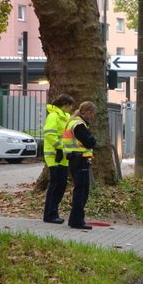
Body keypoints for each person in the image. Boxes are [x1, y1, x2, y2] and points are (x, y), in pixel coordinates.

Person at [62, 101, 98, 230]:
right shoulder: (79, 125)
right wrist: (94, 140)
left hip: (74, 160)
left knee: (79, 190)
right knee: (82, 192)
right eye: (92, 113)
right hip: (80, 160)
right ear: (87, 112)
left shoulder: (72, 122)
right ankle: (77, 220)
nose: (93, 116)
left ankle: (75, 219)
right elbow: (90, 142)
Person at [42, 94, 75, 224]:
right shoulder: (53, 116)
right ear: (65, 105)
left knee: (60, 186)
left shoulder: (66, 117)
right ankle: (50, 214)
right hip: (54, 155)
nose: (71, 109)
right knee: (55, 185)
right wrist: (61, 147)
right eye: (70, 106)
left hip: (63, 156)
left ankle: (53, 213)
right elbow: (49, 135)